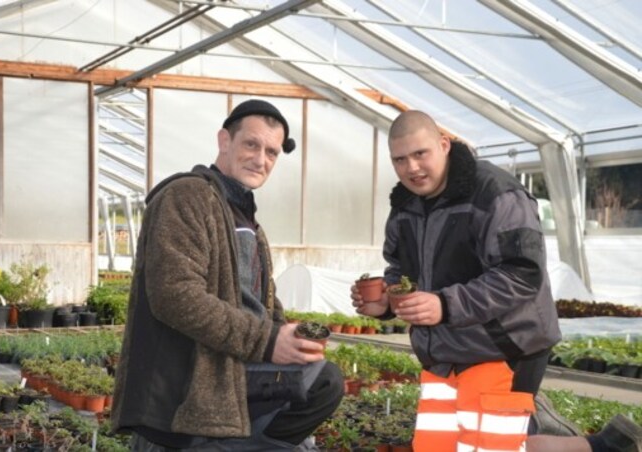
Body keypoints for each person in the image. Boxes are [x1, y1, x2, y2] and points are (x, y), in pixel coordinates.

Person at [351, 110, 642, 452]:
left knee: (489, 446)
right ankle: (603, 446)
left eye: (420, 154)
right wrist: (387, 301)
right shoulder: (405, 205)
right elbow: (400, 269)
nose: (411, 168)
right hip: (445, 352)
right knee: (438, 445)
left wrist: (445, 304)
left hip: (502, 345)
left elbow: (522, 273)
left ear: (444, 145)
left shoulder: (495, 194)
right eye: (400, 160)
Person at [111, 99, 344, 451]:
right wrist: (267, 341)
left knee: (321, 383)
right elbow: (175, 295)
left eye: (272, 152)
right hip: (185, 395)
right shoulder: (187, 196)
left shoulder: (246, 218)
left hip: (233, 381)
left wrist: (287, 336)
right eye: (251, 144)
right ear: (224, 140)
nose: (261, 159)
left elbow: (264, 303)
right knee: (324, 381)